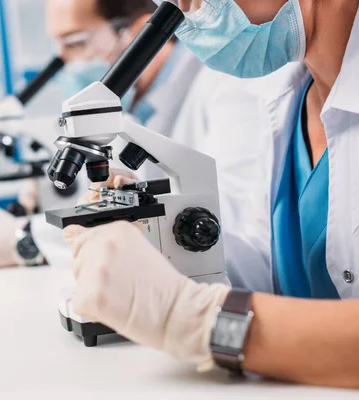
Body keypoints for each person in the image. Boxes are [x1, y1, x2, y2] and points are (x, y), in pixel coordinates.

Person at [65, 0, 359, 388]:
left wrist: (196, 318)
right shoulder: (263, 94)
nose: (182, 6)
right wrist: (157, 245)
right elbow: (263, 267)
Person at [0, 0, 202, 270]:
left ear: (138, 32)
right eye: (57, 49)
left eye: (75, 43)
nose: (65, 63)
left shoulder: (214, 92)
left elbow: (226, 237)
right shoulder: (132, 103)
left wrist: (26, 238)